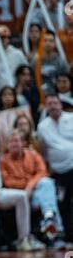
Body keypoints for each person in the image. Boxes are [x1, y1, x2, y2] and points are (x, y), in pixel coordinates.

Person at [0, 129, 62, 235]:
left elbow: (43, 172)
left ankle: (49, 218)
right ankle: (56, 229)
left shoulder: (33, 155)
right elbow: (8, 182)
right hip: (19, 197)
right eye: (11, 141)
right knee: (47, 192)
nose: (14, 144)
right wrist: (28, 184)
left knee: (47, 182)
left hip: (36, 194)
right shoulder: (3, 161)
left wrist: (30, 186)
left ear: (23, 143)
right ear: (7, 145)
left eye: (16, 141)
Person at [37, 94, 73, 241]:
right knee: (63, 203)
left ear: (60, 104)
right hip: (59, 171)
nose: (53, 106)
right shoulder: (42, 126)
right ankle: (69, 235)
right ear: (46, 106)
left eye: (55, 103)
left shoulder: (71, 118)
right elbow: (43, 150)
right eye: (49, 103)